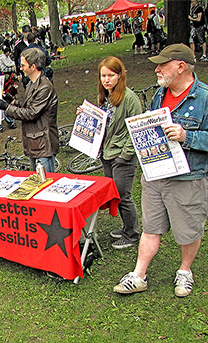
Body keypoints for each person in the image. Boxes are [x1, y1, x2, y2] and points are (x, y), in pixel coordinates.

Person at [114, 44, 208, 297]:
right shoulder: (160, 94)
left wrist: (187, 136)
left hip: (188, 179)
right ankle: (139, 275)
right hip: (156, 174)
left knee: (188, 230)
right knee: (150, 227)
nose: (156, 69)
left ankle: (185, 271)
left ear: (181, 67)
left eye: (162, 64)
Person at [84, 56, 142, 249]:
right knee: (115, 193)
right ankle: (127, 227)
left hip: (121, 155)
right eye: (103, 75)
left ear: (120, 75)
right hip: (107, 153)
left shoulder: (130, 98)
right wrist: (86, 115)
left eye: (111, 75)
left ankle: (132, 234)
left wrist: (125, 154)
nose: (106, 79)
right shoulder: (106, 96)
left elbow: (137, 129)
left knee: (123, 195)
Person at [0, 48, 58, 173]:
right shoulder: (32, 84)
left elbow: (31, 113)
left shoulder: (45, 87)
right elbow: (28, 106)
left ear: (33, 66)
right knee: (37, 179)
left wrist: (7, 108)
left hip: (43, 142)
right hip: (35, 141)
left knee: (46, 182)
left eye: (23, 65)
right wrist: (12, 101)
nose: (21, 68)